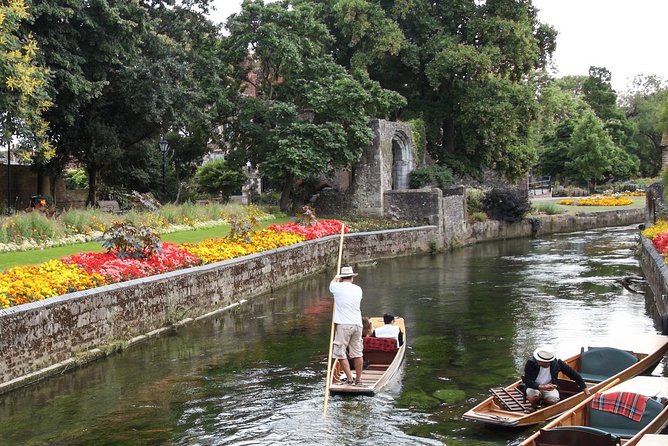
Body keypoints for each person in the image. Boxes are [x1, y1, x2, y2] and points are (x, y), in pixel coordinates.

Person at [524, 345, 590, 409]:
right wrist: (541, 387)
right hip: (534, 387)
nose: (537, 362)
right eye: (537, 360)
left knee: (554, 399)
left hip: (550, 388)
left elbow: (575, 375)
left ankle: (543, 402)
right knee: (533, 395)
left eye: (540, 361)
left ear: (548, 362)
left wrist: (586, 391)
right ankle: (533, 405)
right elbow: (528, 382)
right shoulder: (531, 363)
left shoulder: (558, 364)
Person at [329, 265, 364, 386]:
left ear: (342, 277)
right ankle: (358, 380)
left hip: (344, 324)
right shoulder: (358, 289)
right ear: (352, 278)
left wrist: (336, 278)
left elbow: (331, 285)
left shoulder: (336, 287)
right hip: (357, 324)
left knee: (340, 353)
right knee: (358, 353)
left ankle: (350, 379)